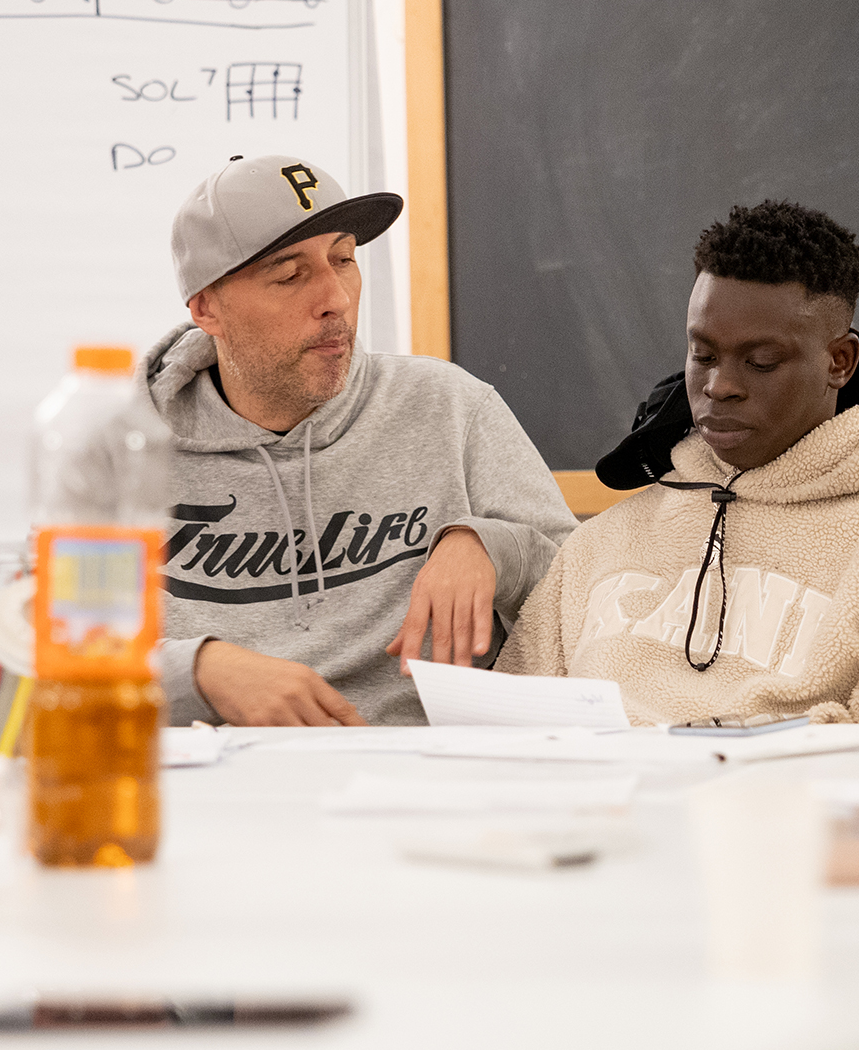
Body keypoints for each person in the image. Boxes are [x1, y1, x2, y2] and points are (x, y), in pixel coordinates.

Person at [495, 200, 859, 726]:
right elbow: (507, 718)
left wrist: (749, 750)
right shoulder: (601, 543)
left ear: (839, 362)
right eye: (703, 355)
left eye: (761, 362)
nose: (719, 386)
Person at [143, 154, 577, 726]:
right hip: (215, 772)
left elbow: (589, 600)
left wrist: (494, 549)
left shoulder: (451, 407)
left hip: (425, 767)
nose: (337, 299)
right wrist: (197, 671)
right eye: (290, 275)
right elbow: (44, 647)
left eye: (343, 260)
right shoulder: (120, 450)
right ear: (208, 308)